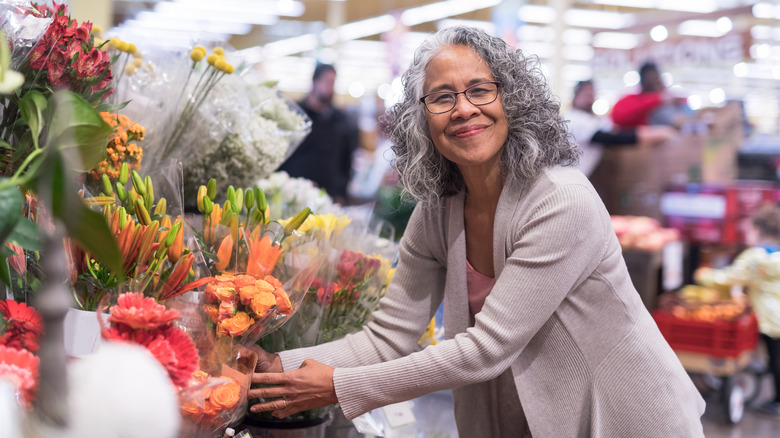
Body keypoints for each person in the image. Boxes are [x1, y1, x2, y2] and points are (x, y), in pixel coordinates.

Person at [249, 26, 705, 437]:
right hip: (532, 416)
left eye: (480, 90)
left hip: (626, 417)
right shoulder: (437, 212)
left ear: (513, 100)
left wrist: (338, 386)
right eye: (442, 97)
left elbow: (486, 348)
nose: (464, 109)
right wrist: (277, 369)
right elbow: (389, 336)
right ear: (421, 119)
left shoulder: (561, 200)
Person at [697, 202, 780, 417]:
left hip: (771, 320)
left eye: (749, 230)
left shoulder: (756, 257)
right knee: (774, 359)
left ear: (758, 230)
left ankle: (777, 402)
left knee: (775, 359)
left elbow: (730, 277)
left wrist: (703, 275)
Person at [278, 63, 359, 205]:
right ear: (314, 82)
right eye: (327, 81)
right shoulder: (295, 114)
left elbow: (347, 159)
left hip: (328, 197)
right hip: (295, 194)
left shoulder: (340, 119)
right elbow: (282, 152)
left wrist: (341, 192)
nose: (330, 87)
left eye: (333, 82)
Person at [566, 79, 674, 176]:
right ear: (575, 96)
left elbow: (615, 129)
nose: (590, 99)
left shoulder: (592, 120)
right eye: (586, 94)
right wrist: (652, 134)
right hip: (569, 178)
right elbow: (613, 138)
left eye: (592, 94)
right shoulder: (573, 119)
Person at [611, 61, 694, 130]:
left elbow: (689, 114)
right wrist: (658, 99)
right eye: (651, 78)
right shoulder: (637, 101)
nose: (655, 82)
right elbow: (618, 117)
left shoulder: (670, 100)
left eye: (656, 78)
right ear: (643, 80)